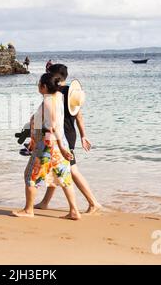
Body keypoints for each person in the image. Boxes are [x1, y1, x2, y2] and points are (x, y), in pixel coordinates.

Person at [12, 73, 81, 220]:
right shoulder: (58, 97)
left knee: (31, 175)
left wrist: (61, 148)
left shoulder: (49, 100)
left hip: (49, 144)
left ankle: (28, 210)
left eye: (39, 84)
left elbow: (53, 125)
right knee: (64, 176)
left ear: (44, 87)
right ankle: (74, 211)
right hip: (57, 142)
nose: (37, 86)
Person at [35, 64, 101, 214]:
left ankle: (93, 202)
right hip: (69, 133)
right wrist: (83, 135)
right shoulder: (72, 92)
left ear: (55, 76)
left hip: (61, 135)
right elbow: (79, 115)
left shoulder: (55, 92)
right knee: (56, 168)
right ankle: (45, 202)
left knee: (71, 170)